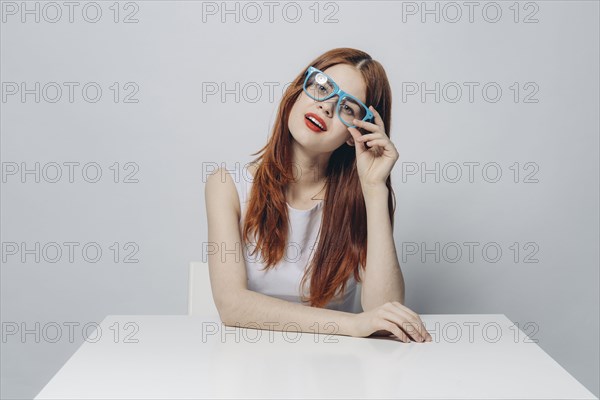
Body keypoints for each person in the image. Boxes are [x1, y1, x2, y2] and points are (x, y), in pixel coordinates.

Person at [205, 47, 432, 342]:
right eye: (322, 87)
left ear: (358, 134)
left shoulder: (362, 194)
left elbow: (383, 313)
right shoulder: (226, 186)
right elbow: (232, 306)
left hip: (335, 368)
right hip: (249, 363)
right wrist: (352, 325)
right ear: (297, 92)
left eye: (347, 108)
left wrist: (376, 189)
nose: (326, 107)